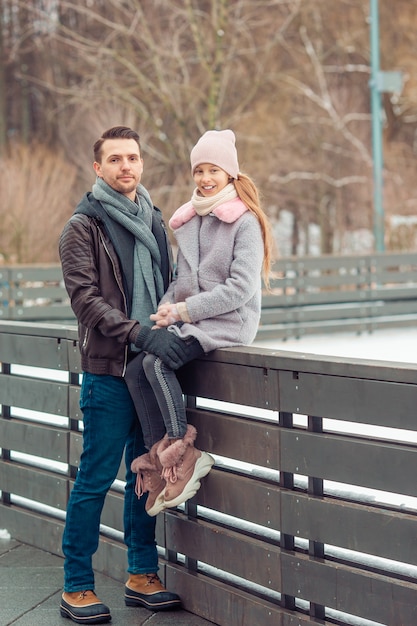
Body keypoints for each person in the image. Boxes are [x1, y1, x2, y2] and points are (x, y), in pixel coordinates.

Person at [58, 126, 189, 624]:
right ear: (98, 168)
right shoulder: (82, 226)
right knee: (94, 477)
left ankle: (141, 574)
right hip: (110, 372)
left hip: (150, 374)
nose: (125, 167)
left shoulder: (153, 218)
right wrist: (139, 334)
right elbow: (85, 301)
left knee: (145, 473)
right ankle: (77, 584)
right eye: (114, 159)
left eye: (132, 158)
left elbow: (172, 283)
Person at [125, 129, 274, 518]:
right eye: (199, 171)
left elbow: (241, 288)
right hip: (190, 319)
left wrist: (184, 312)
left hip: (227, 322)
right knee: (137, 367)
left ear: (230, 174)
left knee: (157, 362)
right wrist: (164, 310)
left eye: (213, 170)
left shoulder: (244, 221)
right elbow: (179, 281)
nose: (205, 178)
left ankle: (184, 453)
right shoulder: (190, 220)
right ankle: (161, 463)